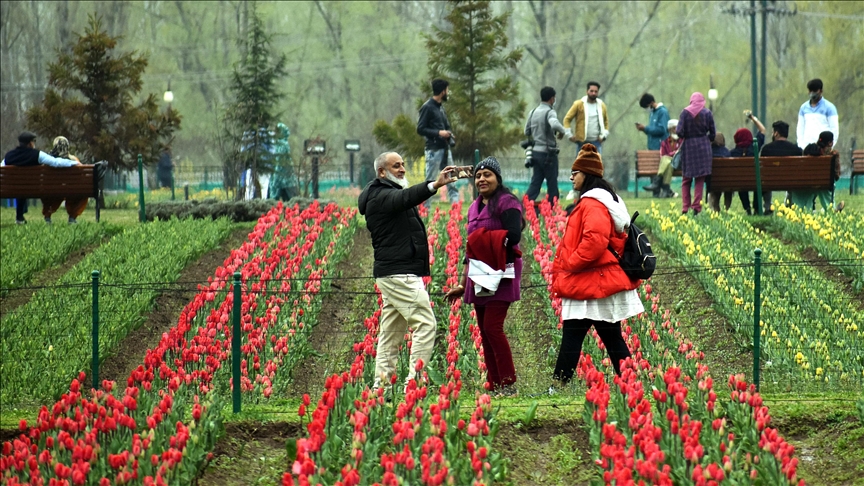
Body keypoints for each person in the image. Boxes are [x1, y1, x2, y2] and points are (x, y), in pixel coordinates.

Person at [358, 151, 459, 392]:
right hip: (398, 273)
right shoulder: (380, 196)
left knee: (391, 333)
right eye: (396, 166)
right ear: (382, 172)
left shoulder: (387, 193)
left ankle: (381, 388)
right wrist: (434, 185)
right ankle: (414, 384)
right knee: (426, 324)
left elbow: (404, 199)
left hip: (397, 271)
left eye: (403, 164)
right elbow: (405, 198)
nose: (402, 169)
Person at [550, 143, 643, 387]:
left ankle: (559, 385)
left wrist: (571, 263)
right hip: (598, 280)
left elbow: (595, 241)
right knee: (610, 336)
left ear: (587, 174)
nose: (571, 177)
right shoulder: (603, 201)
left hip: (589, 281)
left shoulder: (592, 203)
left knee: (574, 334)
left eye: (575, 173)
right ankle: (631, 381)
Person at [445, 157, 523, 396]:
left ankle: (508, 383)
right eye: (478, 175)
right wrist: (462, 283)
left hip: (501, 271)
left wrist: (485, 240)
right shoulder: (474, 208)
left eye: (487, 174)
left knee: (493, 327)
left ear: (498, 178)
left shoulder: (507, 202)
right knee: (484, 330)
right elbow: (470, 249)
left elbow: (514, 235)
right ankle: (495, 384)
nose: (481, 179)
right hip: (478, 273)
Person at [1, 131, 80, 224]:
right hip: (33, 188)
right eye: (34, 141)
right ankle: (20, 218)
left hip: (12, 188)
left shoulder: (9, 156)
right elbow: (56, 162)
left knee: (21, 186)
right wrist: (75, 163)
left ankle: (19, 218)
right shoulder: (37, 154)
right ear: (30, 143)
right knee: (24, 186)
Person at [417, 78, 459, 207]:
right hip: (433, 150)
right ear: (442, 91)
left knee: (452, 180)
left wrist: (449, 134)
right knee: (430, 182)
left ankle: (455, 210)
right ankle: (425, 210)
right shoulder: (427, 107)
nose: (448, 92)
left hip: (445, 149)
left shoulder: (441, 108)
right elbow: (420, 129)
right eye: (447, 90)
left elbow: (446, 126)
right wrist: (439, 133)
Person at [524, 86, 567, 205]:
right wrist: (562, 132)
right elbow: (554, 124)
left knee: (535, 182)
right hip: (548, 154)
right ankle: (553, 208)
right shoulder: (550, 112)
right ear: (552, 98)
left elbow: (526, 131)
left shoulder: (532, 112)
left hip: (535, 153)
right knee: (552, 184)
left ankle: (525, 206)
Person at [676, 92, 716, 215]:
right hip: (703, 148)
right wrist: (706, 138)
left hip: (688, 147)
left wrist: (686, 136)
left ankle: (685, 207)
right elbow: (713, 133)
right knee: (700, 179)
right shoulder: (707, 113)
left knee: (686, 179)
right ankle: (696, 207)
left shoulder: (684, 113)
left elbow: (679, 131)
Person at [40, 136, 88, 224]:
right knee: (81, 193)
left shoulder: (48, 161)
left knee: (49, 194)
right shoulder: (74, 160)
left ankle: (47, 216)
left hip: (51, 191)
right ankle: (72, 216)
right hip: (71, 191)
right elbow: (82, 178)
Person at [800, 131, 843, 212]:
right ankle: (831, 209)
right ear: (830, 143)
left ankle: (808, 210)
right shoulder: (833, 155)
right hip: (824, 184)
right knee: (827, 183)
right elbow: (836, 176)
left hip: (806, 183)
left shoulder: (809, 150)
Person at [563, 81, 609, 155]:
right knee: (581, 162)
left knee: (596, 162)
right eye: (591, 91)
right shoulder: (579, 104)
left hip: (596, 143)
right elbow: (567, 119)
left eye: (596, 91)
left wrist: (604, 136)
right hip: (582, 143)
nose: (593, 93)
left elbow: (606, 122)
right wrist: (569, 135)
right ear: (587, 91)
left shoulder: (601, 105)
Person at [797, 78, 839, 150]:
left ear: (821, 91)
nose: (812, 93)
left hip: (823, 148)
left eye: (815, 90)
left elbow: (834, 129)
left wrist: (829, 147)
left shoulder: (829, 107)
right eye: (810, 90)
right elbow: (800, 128)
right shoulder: (803, 108)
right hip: (807, 148)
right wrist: (801, 145)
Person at [643, 119, 680, 198]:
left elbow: (679, 153)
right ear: (670, 129)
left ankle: (656, 182)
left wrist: (670, 155)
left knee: (667, 158)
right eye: (674, 128)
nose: (677, 130)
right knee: (669, 164)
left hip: (679, 164)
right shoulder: (665, 143)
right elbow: (662, 155)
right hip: (670, 165)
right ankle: (666, 190)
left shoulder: (681, 140)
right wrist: (671, 155)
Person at [707, 132, 733, 212]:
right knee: (728, 189)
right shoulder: (727, 152)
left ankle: (715, 207)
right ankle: (727, 208)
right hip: (727, 182)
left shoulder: (708, 151)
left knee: (715, 188)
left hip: (713, 182)